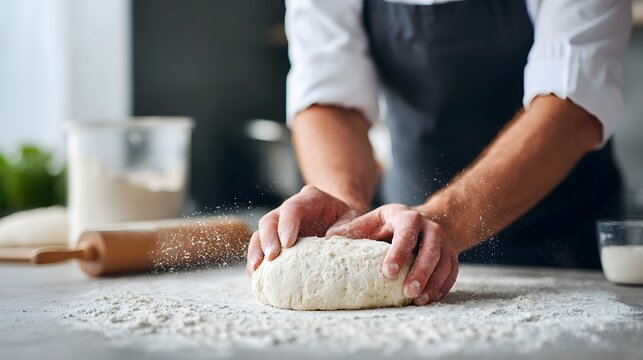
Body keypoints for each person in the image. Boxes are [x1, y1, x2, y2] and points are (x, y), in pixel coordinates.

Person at [246, 0, 632, 306]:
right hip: (400, 243)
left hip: (562, 249)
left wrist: (441, 221)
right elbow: (330, 97)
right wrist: (343, 204)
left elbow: (571, 105)